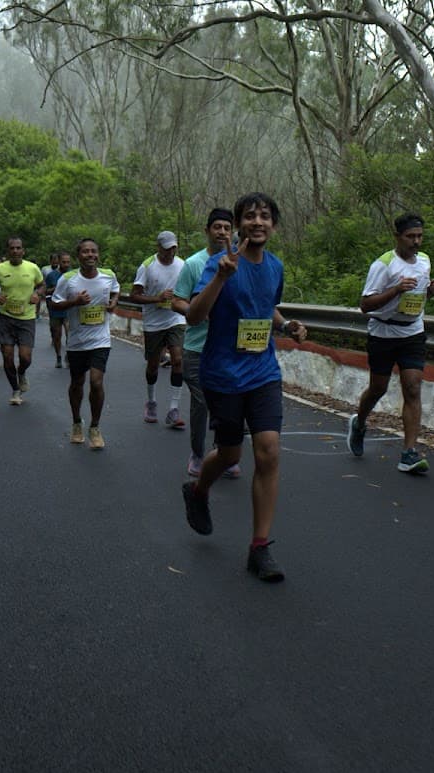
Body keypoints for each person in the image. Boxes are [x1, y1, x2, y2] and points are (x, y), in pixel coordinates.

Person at [180, 192, 307, 582]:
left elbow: (266, 305)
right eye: (250, 216)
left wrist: (286, 326)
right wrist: (221, 276)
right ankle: (199, 490)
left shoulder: (276, 267)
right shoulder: (220, 264)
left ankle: (259, 547)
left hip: (263, 372)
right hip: (222, 373)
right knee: (231, 452)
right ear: (238, 225)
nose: (258, 222)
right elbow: (196, 317)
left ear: (274, 225)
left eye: (265, 216)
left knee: (268, 451)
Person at [347, 213, 434, 473]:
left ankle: (409, 453)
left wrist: (430, 292)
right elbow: (365, 305)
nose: (416, 242)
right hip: (383, 334)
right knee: (378, 388)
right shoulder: (384, 265)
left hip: (412, 332)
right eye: (411, 236)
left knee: (412, 388)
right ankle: (359, 423)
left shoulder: (424, 261)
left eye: (420, 236)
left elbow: (419, 295)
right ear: (398, 237)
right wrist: (395, 290)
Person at [172, 208, 241, 478]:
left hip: (230, 349)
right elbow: (177, 300)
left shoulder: (240, 262)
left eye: (227, 227)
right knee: (203, 403)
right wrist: (198, 310)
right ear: (207, 231)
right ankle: (198, 453)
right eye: (217, 227)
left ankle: (223, 454)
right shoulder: (193, 264)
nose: (222, 232)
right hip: (198, 348)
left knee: (228, 404)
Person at [49, 238, 120, 450]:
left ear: (98, 254)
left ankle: (95, 427)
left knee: (96, 382)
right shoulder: (68, 279)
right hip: (77, 342)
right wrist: (74, 302)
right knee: (77, 383)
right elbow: (54, 302)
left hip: (101, 340)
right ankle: (76, 422)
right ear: (78, 256)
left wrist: (114, 303)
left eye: (94, 251)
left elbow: (115, 290)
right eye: (86, 252)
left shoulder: (108, 275)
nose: (90, 255)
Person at [130, 231, 188, 428]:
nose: (171, 252)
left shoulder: (182, 265)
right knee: (153, 366)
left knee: (178, 359)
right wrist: (158, 298)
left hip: (175, 318)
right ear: (159, 248)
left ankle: (173, 409)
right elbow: (134, 295)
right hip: (154, 322)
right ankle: (151, 401)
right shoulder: (147, 266)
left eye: (174, 247)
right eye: (166, 248)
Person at [0, 237, 43, 406]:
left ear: (23, 251)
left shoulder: (32, 268)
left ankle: (22, 372)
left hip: (27, 319)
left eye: (19, 248)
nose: (16, 251)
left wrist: (37, 294)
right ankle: (16, 390)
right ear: (8, 251)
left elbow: (41, 285)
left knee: (25, 357)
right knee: (8, 357)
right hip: (6, 318)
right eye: (12, 248)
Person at [43, 251, 69, 368]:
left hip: (69, 309)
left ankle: (68, 355)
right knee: (57, 336)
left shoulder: (73, 274)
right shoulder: (51, 275)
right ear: (59, 262)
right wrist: (56, 288)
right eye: (64, 262)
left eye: (68, 262)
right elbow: (45, 291)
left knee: (70, 334)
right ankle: (58, 356)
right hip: (55, 309)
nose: (66, 264)